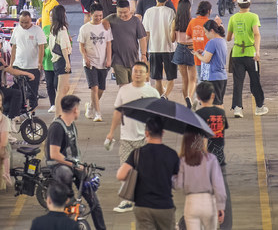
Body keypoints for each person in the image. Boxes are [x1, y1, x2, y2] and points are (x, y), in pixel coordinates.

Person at [106, 60, 160, 213]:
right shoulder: (124, 91)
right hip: (126, 139)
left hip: (145, 138)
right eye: (135, 71)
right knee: (126, 170)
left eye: (141, 72)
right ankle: (127, 201)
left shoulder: (152, 92)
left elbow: (158, 115)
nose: (137, 74)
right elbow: (117, 112)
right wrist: (111, 133)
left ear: (147, 74)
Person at [46, 95, 107, 230]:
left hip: (74, 165)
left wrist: (80, 166)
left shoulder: (71, 125)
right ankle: (69, 201)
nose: (78, 111)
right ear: (74, 110)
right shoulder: (57, 127)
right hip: (60, 166)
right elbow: (54, 154)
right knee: (65, 173)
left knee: (94, 202)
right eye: (78, 109)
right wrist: (73, 165)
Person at [116, 117, 180, 230]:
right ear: (163, 133)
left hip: (143, 206)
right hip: (165, 206)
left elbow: (120, 175)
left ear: (146, 133)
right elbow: (179, 183)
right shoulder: (172, 154)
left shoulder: (137, 153)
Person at [174, 127, 226, 230]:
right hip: (209, 202)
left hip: (191, 202)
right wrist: (221, 206)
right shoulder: (211, 159)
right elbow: (218, 185)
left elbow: (178, 184)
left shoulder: (183, 160)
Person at [226, 0, 267, 117]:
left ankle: (237, 108)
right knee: (255, 80)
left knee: (237, 82)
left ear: (238, 5)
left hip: (237, 54)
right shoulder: (254, 17)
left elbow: (228, 38)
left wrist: (237, 34)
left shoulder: (233, 18)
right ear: (250, 4)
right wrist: (258, 52)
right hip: (250, 54)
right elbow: (256, 34)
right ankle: (259, 107)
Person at [78, 3, 112, 122]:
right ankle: (98, 113)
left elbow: (108, 44)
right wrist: (85, 57)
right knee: (95, 88)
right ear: (91, 14)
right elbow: (81, 46)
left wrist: (109, 59)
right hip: (90, 63)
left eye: (101, 16)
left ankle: (91, 106)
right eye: (96, 16)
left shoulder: (106, 27)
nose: (98, 18)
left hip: (103, 63)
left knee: (101, 89)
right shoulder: (85, 29)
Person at [102, 0, 148, 86]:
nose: (122, 15)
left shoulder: (135, 21)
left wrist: (144, 54)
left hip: (133, 58)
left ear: (129, 9)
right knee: (123, 86)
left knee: (133, 85)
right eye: (120, 12)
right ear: (116, 10)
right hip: (117, 58)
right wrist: (104, 23)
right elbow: (101, 23)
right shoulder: (112, 18)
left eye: (125, 12)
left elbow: (142, 38)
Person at [9, 11, 46, 115]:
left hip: (33, 67)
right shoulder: (16, 30)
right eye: (22, 22)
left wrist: (39, 62)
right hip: (18, 66)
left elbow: (41, 47)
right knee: (18, 91)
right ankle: (18, 112)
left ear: (31, 20)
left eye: (26, 22)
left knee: (32, 92)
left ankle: (32, 112)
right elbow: (14, 47)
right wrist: (11, 64)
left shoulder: (37, 30)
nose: (24, 25)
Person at [141, 0, 177, 98]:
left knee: (157, 78)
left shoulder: (148, 12)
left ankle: (161, 98)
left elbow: (146, 33)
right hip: (169, 48)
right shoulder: (170, 11)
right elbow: (173, 30)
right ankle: (165, 96)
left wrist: (144, 50)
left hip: (154, 48)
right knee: (171, 78)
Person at [194, 20, 229, 108]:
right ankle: (220, 121)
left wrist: (197, 55)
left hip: (213, 77)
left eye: (206, 32)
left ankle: (219, 121)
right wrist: (203, 52)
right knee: (219, 103)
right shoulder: (221, 41)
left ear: (212, 31)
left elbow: (206, 60)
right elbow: (214, 56)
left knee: (214, 105)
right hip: (221, 77)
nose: (205, 35)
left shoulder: (212, 42)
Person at [48, 5, 74, 118]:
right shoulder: (62, 29)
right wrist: (67, 63)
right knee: (61, 89)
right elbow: (63, 47)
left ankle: (60, 112)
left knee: (64, 88)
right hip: (62, 60)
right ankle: (58, 115)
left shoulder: (53, 29)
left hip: (56, 60)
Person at [194, 82, 228, 166]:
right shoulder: (221, 112)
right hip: (220, 158)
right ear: (213, 96)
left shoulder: (198, 114)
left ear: (198, 97)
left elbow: (201, 139)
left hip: (205, 159)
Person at [171, 0, 197, 108]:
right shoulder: (193, 21)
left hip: (180, 49)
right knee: (193, 79)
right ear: (189, 9)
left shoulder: (175, 22)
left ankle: (186, 97)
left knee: (184, 79)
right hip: (191, 49)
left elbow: (172, 39)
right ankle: (189, 98)